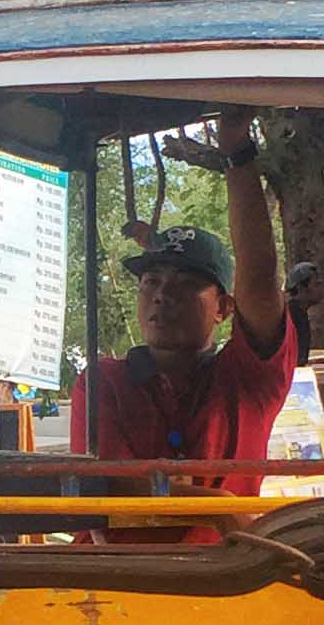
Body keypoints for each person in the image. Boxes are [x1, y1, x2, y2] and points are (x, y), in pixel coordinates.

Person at [71, 111, 298, 499]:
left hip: (231, 560)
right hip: (114, 562)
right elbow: (109, 493)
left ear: (225, 308)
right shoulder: (103, 381)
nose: (162, 295)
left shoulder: (248, 379)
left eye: (188, 284)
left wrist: (236, 150)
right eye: (151, 282)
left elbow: (259, 279)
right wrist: (218, 506)